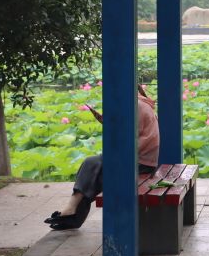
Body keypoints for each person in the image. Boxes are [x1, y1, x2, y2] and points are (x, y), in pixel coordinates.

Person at [44, 87, 159, 230]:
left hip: (140, 162)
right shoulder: (139, 104)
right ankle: (72, 215)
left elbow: (131, 140)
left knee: (92, 164)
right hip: (137, 159)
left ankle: (72, 212)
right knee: (96, 171)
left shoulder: (137, 106)